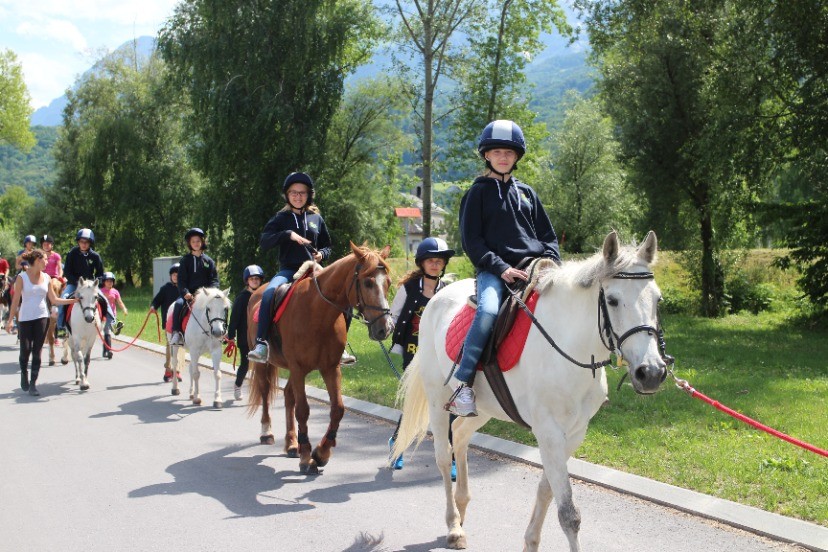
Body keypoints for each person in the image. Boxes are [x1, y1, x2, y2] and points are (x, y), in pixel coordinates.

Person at [448, 120, 561, 417]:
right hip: (495, 270)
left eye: (509, 152)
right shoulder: (477, 193)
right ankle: (464, 384)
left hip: (536, 267)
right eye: (497, 151)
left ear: (516, 156)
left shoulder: (527, 193)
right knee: (487, 312)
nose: (503, 157)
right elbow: (472, 242)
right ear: (486, 155)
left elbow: (548, 236)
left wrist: (551, 262)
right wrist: (501, 268)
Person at [248, 172, 334, 363]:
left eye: (302, 193)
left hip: (315, 270)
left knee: (342, 293)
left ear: (308, 195)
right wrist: (287, 235)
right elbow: (264, 242)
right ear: (287, 195)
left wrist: (322, 254)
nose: (298, 196)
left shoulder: (316, 219)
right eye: (293, 192)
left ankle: (340, 345)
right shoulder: (281, 218)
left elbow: (328, 245)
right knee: (269, 293)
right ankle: (261, 343)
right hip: (289, 271)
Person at [389, 236, 456, 473]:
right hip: (413, 352)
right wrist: (385, 329)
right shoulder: (407, 288)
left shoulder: (449, 291)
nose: (435, 265)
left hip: (440, 354)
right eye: (431, 261)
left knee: (449, 402)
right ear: (422, 263)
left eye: (439, 261)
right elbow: (394, 316)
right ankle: (397, 446)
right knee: (414, 400)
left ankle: (453, 456)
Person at [5, 248, 78, 395]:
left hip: (42, 317)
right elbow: (15, 301)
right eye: (45, 259)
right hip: (25, 318)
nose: (47, 262)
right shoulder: (22, 278)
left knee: (37, 352)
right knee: (25, 351)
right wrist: (10, 320)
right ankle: (24, 373)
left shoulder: (47, 278)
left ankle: (33, 384)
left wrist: (74, 300)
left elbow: (54, 300)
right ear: (37, 260)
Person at [57, 228, 116, 336]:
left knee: (104, 300)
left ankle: (112, 323)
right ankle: (60, 326)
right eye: (81, 242)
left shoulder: (95, 256)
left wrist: (94, 282)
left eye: (86, 242)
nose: (83, 244)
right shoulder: (72, 253)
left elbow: (100, 273)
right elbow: (67, 271)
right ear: (78, 242)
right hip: (74, 284)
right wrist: (76, 282)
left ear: (90, 243)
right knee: (63, 298)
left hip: (90, 286)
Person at [169, 228, 220, 346]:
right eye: (193, 242)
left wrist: (212, 292)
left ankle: (221, 332)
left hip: (206, 295)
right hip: (189, 294)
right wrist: (185, 292)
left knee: (220, 306)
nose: (196, 243)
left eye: (198, 241)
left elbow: (214, 280)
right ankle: (176, 332)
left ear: (202, 242)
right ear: (189, 244)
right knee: (178, 304)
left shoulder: (209, 261)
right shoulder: (185, 261)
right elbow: (181, 280)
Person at [226, 264, 264, 400]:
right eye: (252, 278)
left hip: (261, 336)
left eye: (257, 279)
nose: (255, 281)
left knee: (263, 364)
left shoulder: (264, 295)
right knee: (246, 364)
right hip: (245, 337)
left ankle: (261, 391)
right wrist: (231, 336)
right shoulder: (242, 297)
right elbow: (234, 317)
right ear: (247, 280)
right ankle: (238, 386)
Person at [150, 263, 181, 381]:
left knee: (180, 347)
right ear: (170, 276)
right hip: (169, 324)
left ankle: (177, 371)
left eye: (178, 275)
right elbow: (156, 300)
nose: (176, 277)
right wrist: (153, 307)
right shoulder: (165, 288)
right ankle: (168, 370)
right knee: (170, 347)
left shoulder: (184, 289)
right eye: (174, 275)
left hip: (182, 324)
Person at [100, 272, 127, 359]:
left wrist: (124, 309)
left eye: (111, 281)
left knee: (108, 332)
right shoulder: (100, 291)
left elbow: (119, 301)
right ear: (104, 282)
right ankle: (109, 351)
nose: (109, 282)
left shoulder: (115, 292)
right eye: (107, 281)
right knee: (107, 332)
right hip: (104, 315)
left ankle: (105, 350)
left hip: (112, 314)